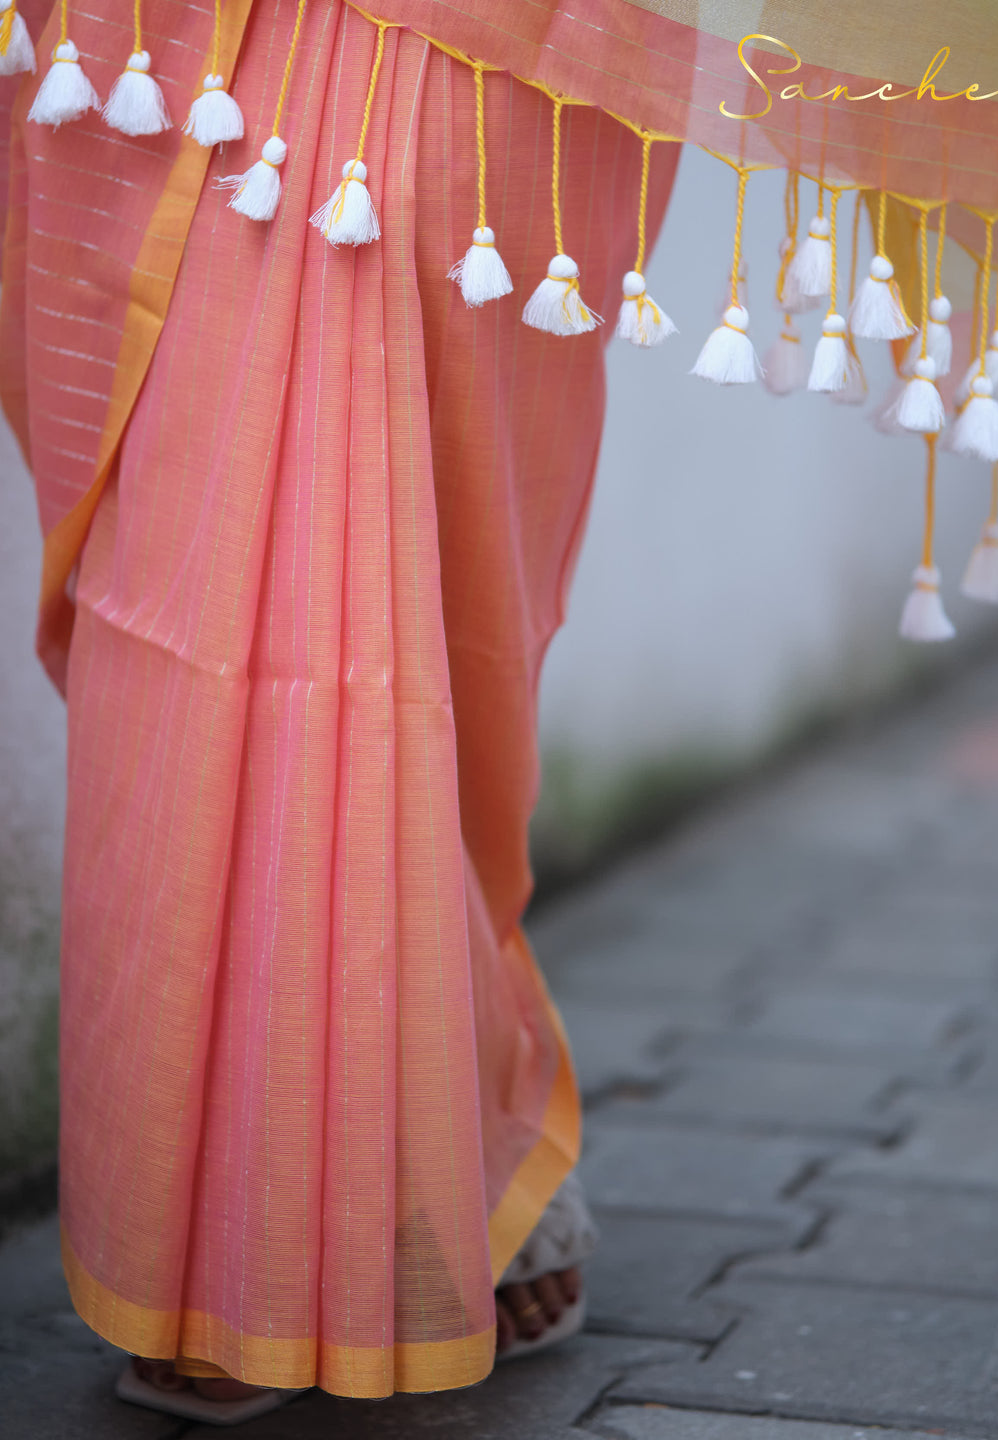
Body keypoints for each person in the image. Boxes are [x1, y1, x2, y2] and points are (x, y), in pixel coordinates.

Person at [0, 0, 678, 1419]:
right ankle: (251, 1227)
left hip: (469, 52)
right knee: (202, 573)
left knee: (410, 621)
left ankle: (431, 1165)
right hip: (182, 37)